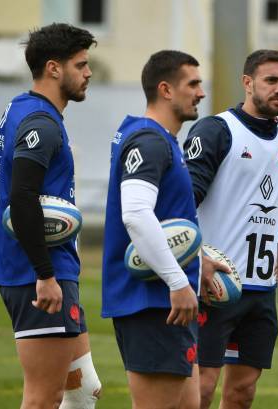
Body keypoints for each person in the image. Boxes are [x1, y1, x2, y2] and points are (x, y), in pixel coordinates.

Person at [0, 23, 101, 409]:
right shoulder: (41, 124)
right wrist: (45, 274)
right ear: (54, 68)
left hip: (46, 268)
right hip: (38, 273)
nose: (88, 72)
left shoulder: (22, 108)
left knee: (83, 388)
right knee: (44, 398)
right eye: (81, 64)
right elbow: (22, 198)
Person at [101, 50, 227, 409]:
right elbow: (137, 215)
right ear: (166, 90)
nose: (201, 93)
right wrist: (176, 281)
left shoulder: (156, 138)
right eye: (193, 84)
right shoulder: (150, 140)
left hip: (166, 302)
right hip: (155, 302)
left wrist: (197, 261)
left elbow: (167, 217)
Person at [184, 49, 278, 409]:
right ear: (248, 83)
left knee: (243, 392)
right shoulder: (216, 130)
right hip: (214, 284)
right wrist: (196, 256)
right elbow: (185, 198)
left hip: (260, 290)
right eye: (271, 81)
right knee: (201, 388)